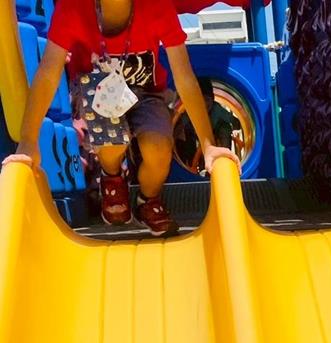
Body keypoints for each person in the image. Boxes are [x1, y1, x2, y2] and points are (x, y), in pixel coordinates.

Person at [5, 0, 239, 236]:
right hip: (97, 90)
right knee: (111, 139)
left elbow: (184, 77)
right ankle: (112, 176)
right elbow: (48, 73)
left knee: (158, 148)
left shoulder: (157, 6)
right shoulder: (74, 7)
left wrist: (208, 145)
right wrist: (28, 140)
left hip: (147, 92)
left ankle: (148, 200)